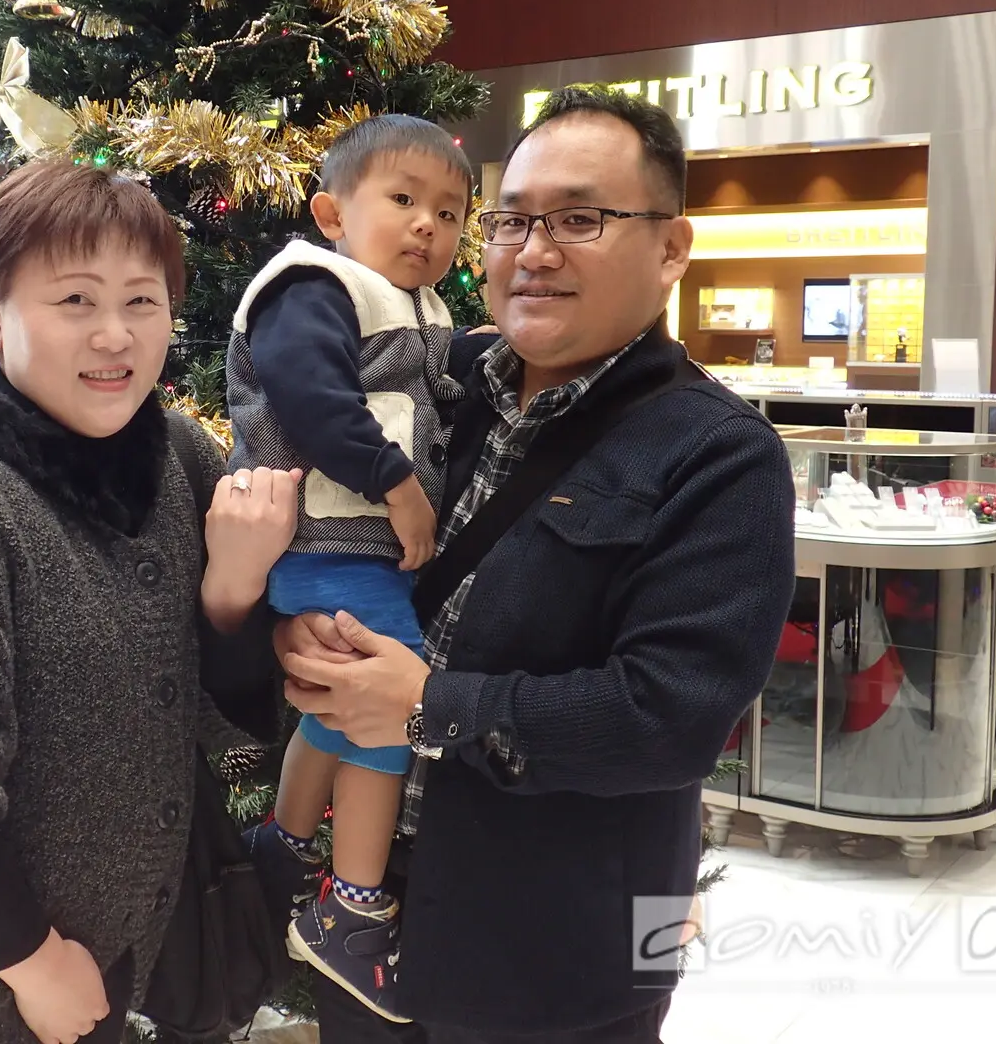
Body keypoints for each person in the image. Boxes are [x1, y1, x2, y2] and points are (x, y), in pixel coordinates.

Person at [273, 85, 798, 1043]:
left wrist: (430, 706)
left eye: (580, 219)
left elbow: (670, 718)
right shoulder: (440, 393)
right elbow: (350, 551)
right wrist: (298, 631)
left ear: (671, 248)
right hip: (369, 923)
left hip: (558, 959)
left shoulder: (719, 454)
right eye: (512, 220)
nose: (535, 250)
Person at [0, 159, 299, 1044]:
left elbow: (225, 722)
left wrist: (233, 595)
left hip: (125, 962)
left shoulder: (174, 457)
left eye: (142, 301)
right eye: (75, 300)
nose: (114, 335)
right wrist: (30, 960)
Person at [226, 115, 472, 1022]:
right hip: (330, 543)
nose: (427, 225)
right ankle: (352, 911)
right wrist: (396, 483)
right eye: (403, 199)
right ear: (332, 214)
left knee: (335, 708)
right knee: (386, 713)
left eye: (450, 213)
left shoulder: (416, 306)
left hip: (352, 556)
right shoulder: (313, 286)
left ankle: (286, 845)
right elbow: (310, 395)